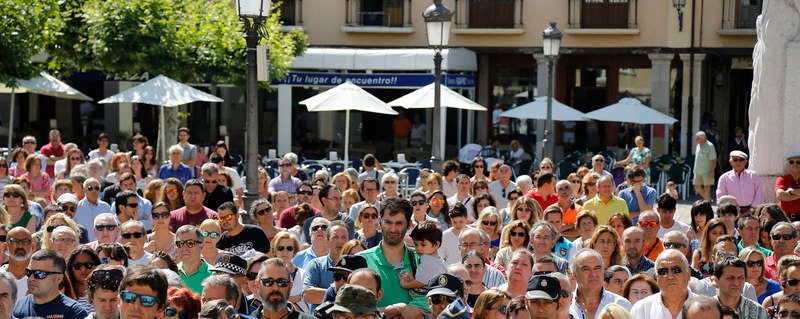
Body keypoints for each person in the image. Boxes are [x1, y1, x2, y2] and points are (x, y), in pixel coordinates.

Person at [357, 197, 425, 312]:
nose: (393, 229)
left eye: (399, 223)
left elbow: (434, 303)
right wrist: (397, 310)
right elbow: (352, 310)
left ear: (409, 225)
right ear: (379, 221)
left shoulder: (423, 260)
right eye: (388, 222)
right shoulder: (360, 261)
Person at [12, 249, 89, 318]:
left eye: (40, 273)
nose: (31, 278)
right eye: (28, 272)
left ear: (58, 278)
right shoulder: (17, 306)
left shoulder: (74, 312)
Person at [630, 249, 697, 319]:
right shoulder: (641, 310)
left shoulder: (706, 309)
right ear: (656, 277)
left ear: (688, 274)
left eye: (676, 270)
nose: (670, 276)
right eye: (663, 271)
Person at [569, 249, 631, 319]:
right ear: (574, 275)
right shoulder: (565, 305)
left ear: (603, 272)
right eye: (586, 269)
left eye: (597, 268)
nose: (593, 274)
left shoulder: (621, 304)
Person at [301, 221, 350, 311]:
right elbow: (307, 295)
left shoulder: (357, 266)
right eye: (335, 237)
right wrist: (348, 295)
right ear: (327, 240)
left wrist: (323, 293)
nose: (340, 241)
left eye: (343, 237)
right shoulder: (316, 265)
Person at [400, 220, 446, 311]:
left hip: (423, 302)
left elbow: (422, 281)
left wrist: (406, 284)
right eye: (416, 244)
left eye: (423, 244)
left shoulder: (427, 260)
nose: (418, 248)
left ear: (436, 244)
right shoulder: (439, 260)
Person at [176, 224, 214, 294]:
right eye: (180, 243)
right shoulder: (172, 272)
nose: (184, 248)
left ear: (201, 246)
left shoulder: (214, 275)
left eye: (190, 243)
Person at [693, 131, 717, 202]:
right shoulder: (698, 145)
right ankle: (708, 200)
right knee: (697, 186)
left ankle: (707, 203)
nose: (696, 140)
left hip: (707, 170)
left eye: (698, 138)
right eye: (696, 138)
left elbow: (714, 160)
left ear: (703, 138)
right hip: (697, 170)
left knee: (707, 188)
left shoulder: (710, 146)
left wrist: (712, 171)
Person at [777, 153, 800, 220]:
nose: (795, 164)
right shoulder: (782, 179)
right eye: (791, 162)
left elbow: (785, 195)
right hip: (784, 216)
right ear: (788, 165)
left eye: (798, 162)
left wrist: (791, 191)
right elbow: (780, 195)